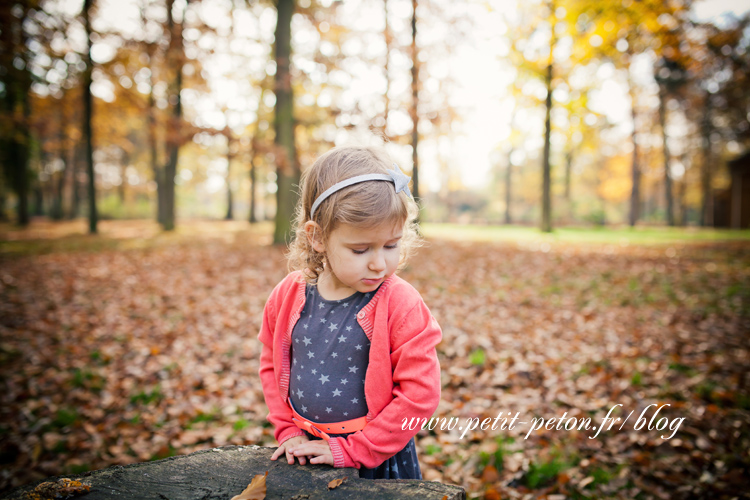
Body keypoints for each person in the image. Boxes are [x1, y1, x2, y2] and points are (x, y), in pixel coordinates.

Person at [258, 146, 442, 479]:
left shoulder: (400, 303)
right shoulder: (288, 295)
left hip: (377, 458)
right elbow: (272, 364)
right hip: (306, 450)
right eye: (360, 249)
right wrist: (287, 430)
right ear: (317, 237)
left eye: (391, 245)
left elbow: (420, 394)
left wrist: (356, 449)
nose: (379, 263)